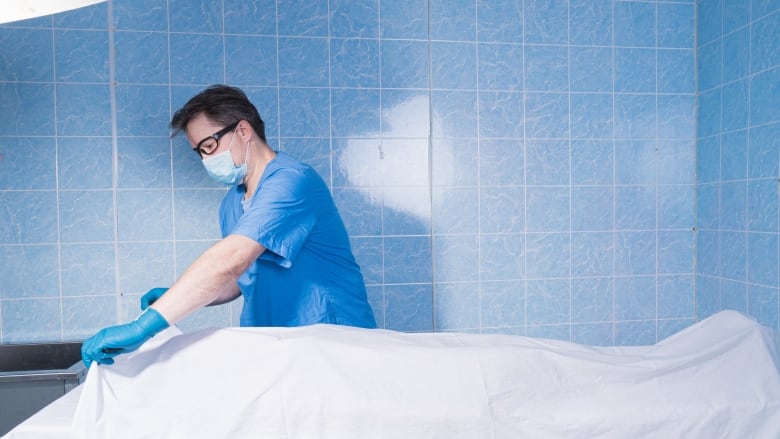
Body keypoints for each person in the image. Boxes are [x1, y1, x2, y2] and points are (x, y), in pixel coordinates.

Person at [81, 85, 377, 367]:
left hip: (332, 340)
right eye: (200, 151)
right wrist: (175, 296)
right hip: (278, 344)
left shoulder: (291, 181)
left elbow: (232, 259)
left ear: (243, 130)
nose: (206, 159)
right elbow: (238, 280)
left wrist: (144, 326)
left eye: (209, 145)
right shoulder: (233, 203)